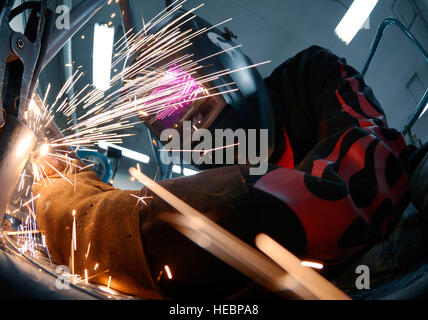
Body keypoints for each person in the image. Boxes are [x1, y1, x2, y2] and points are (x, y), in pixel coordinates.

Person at [35, 46, 414, 299]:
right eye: (162, 115)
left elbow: (368, 178)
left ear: (218, 58)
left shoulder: (312, 74)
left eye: (178, 90)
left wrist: (94, 218)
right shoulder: (207, 185)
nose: (178, 112)